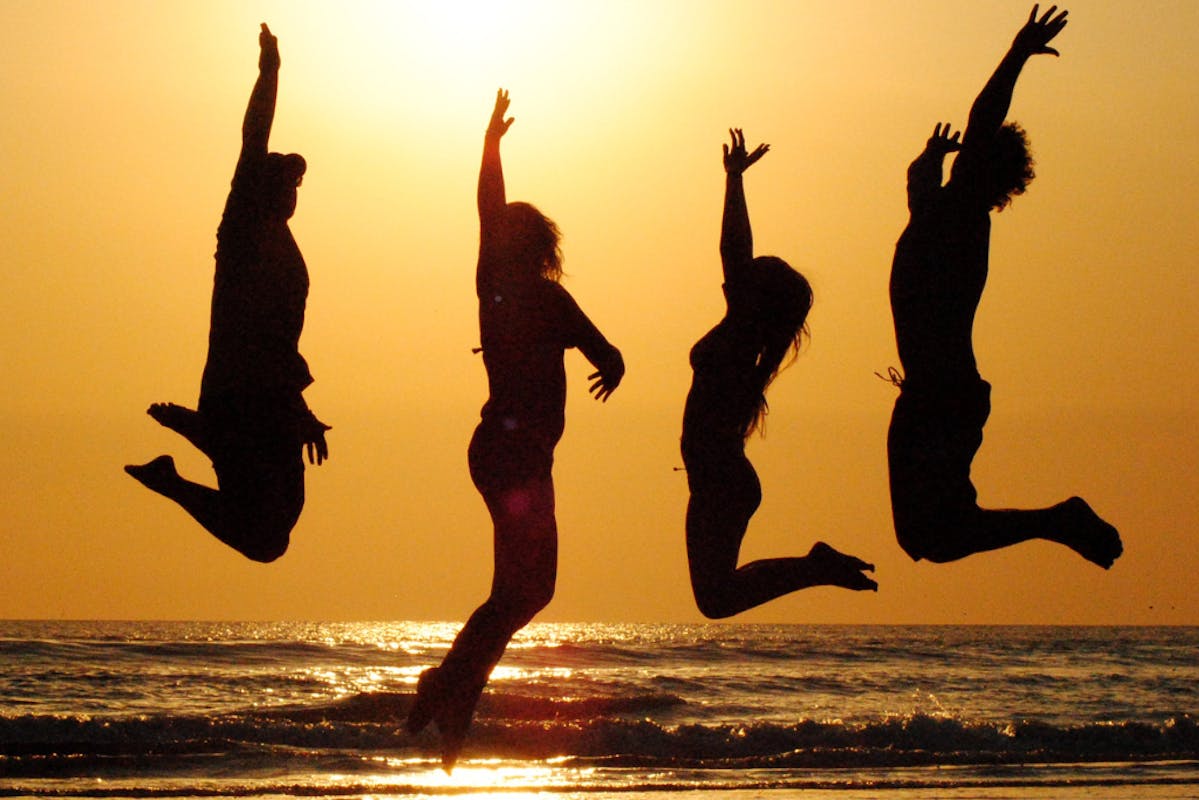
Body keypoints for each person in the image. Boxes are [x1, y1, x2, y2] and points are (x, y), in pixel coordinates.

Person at [406, 89, 624, 769]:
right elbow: (607, 352)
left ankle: (454, 693)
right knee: (526, 591)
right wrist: (490, 148)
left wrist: (491, 145)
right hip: (517, 458)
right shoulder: (531, 294)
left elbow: (605, 351)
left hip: (502, 453)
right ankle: (448, 686)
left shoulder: (499, 291)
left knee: (521, 591)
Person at [886, 5, 1121, 567]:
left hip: (943, 393)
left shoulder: (962, 215)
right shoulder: (934, 214)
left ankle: (1057, 520)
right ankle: (1055, 521)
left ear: (980, 168)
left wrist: (1016, 54)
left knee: (932, 537)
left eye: (968, 152)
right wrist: (928, 155)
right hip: (933, 392)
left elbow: (983, 117)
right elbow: (918, 181)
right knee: (927, 537)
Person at [125, 24, 329, 563]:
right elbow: (254, 138)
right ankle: (193, 450)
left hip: (265, 397)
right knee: (267, 536)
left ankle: (198, 443)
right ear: (260, 188)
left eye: (295, 186)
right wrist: (270, 69)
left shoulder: (286, 246)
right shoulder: (241, 225)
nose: (291, 193)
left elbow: (280, 343)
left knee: (276, 527)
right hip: (244, 395)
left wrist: (300, 407)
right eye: (282, 184)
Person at [682, 129, 878, 620]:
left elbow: (734, 250)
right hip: (720, 480)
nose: (740, 276)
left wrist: (734, 182)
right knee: (716, 597)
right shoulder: (743, 338)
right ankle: (815, 567)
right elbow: (737, 257)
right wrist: (734, 180)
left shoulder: (742, 334)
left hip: (721, 482)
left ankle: (815, 567)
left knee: (716, 598)